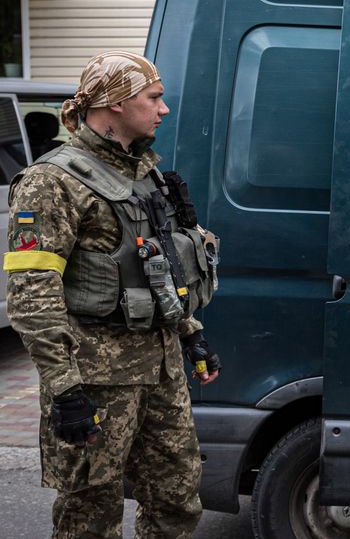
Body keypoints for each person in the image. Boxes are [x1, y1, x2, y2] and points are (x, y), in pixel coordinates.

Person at [5, 50, 222, 538]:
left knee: (177, 499)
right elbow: (31, 293)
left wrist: (191, 335)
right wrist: (63, 389)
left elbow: (160, 267)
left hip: (160, 372)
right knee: (90, 515)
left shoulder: (143, 173)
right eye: (154, 97)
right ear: (116, 103)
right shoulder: (52, 183)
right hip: (94, 380)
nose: (164, 109)